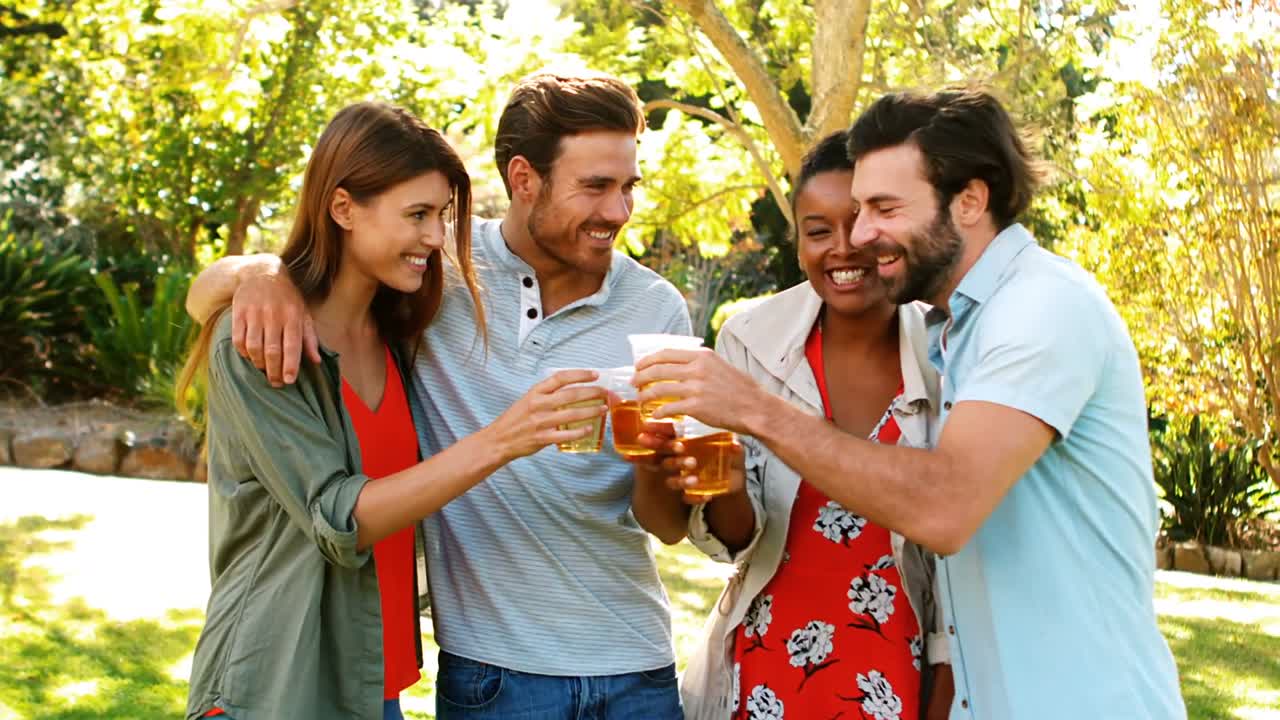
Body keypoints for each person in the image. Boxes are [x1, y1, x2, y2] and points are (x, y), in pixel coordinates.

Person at [633, 89, 1186, 718]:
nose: (862, 235)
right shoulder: (959, 329)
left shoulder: (1041, 310)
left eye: (884, 208)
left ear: (970, 200)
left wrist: (755, 409)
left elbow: (943, 506)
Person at [185, 73, 692, 719]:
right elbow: (339, 516)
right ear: (523, 178)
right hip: (291, 678)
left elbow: (669, 522)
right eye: (418, 216)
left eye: (442, 216)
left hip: (385, 676)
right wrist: (258, 272)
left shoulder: (404, 315)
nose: (434, 238)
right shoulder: (297, 329)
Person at [634, 131, 953, 720]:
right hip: (768, 660)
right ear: (797, 239)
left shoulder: (946, 346)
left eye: (860, 221)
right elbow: (734, 538)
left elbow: (958, 542)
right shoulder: (751, 336)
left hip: (899, 662)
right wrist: (725, 484)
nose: (844, 247)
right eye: (818, 230)